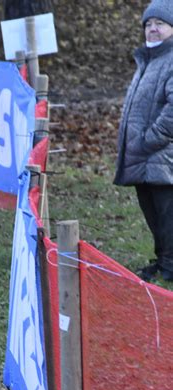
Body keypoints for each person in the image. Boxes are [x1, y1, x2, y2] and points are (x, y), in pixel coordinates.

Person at [114, 0, 173, 282]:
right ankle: (164, 262)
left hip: (162, 156)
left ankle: (171, 266)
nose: (153, 29)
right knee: (154, 215)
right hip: (144, 157)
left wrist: (150, 139)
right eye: (148, 24)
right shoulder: (148, 59)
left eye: (160, 24)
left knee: (168, 215)